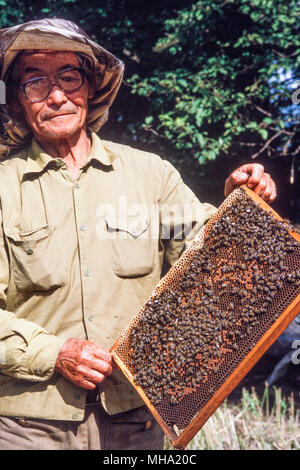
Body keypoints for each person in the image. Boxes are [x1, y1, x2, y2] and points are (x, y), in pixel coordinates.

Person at [0, 18, 276, 450]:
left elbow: (208, 257)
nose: (56, 95)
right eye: (35, 82)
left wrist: (240, 206)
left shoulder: (151, 174)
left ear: (89, 88)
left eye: (68, 77)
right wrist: (53, 353)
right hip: (29, 426)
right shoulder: (3, 186)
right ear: (17, 101)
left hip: (135, 422)